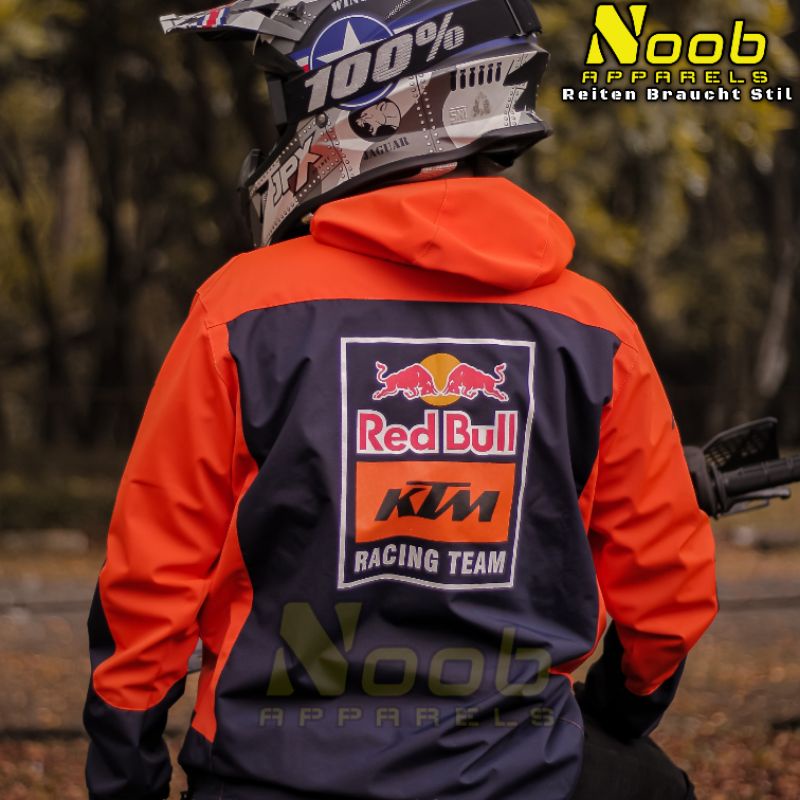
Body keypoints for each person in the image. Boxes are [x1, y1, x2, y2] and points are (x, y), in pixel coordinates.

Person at [83, 1, 718, 798]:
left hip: (270, 772)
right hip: (521, 770)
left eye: (288, 107)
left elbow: (150, 579)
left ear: (365, 96)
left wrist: (127, 773)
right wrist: (616, 712)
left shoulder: (240, 312)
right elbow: (667, 595)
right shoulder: (595, 328)